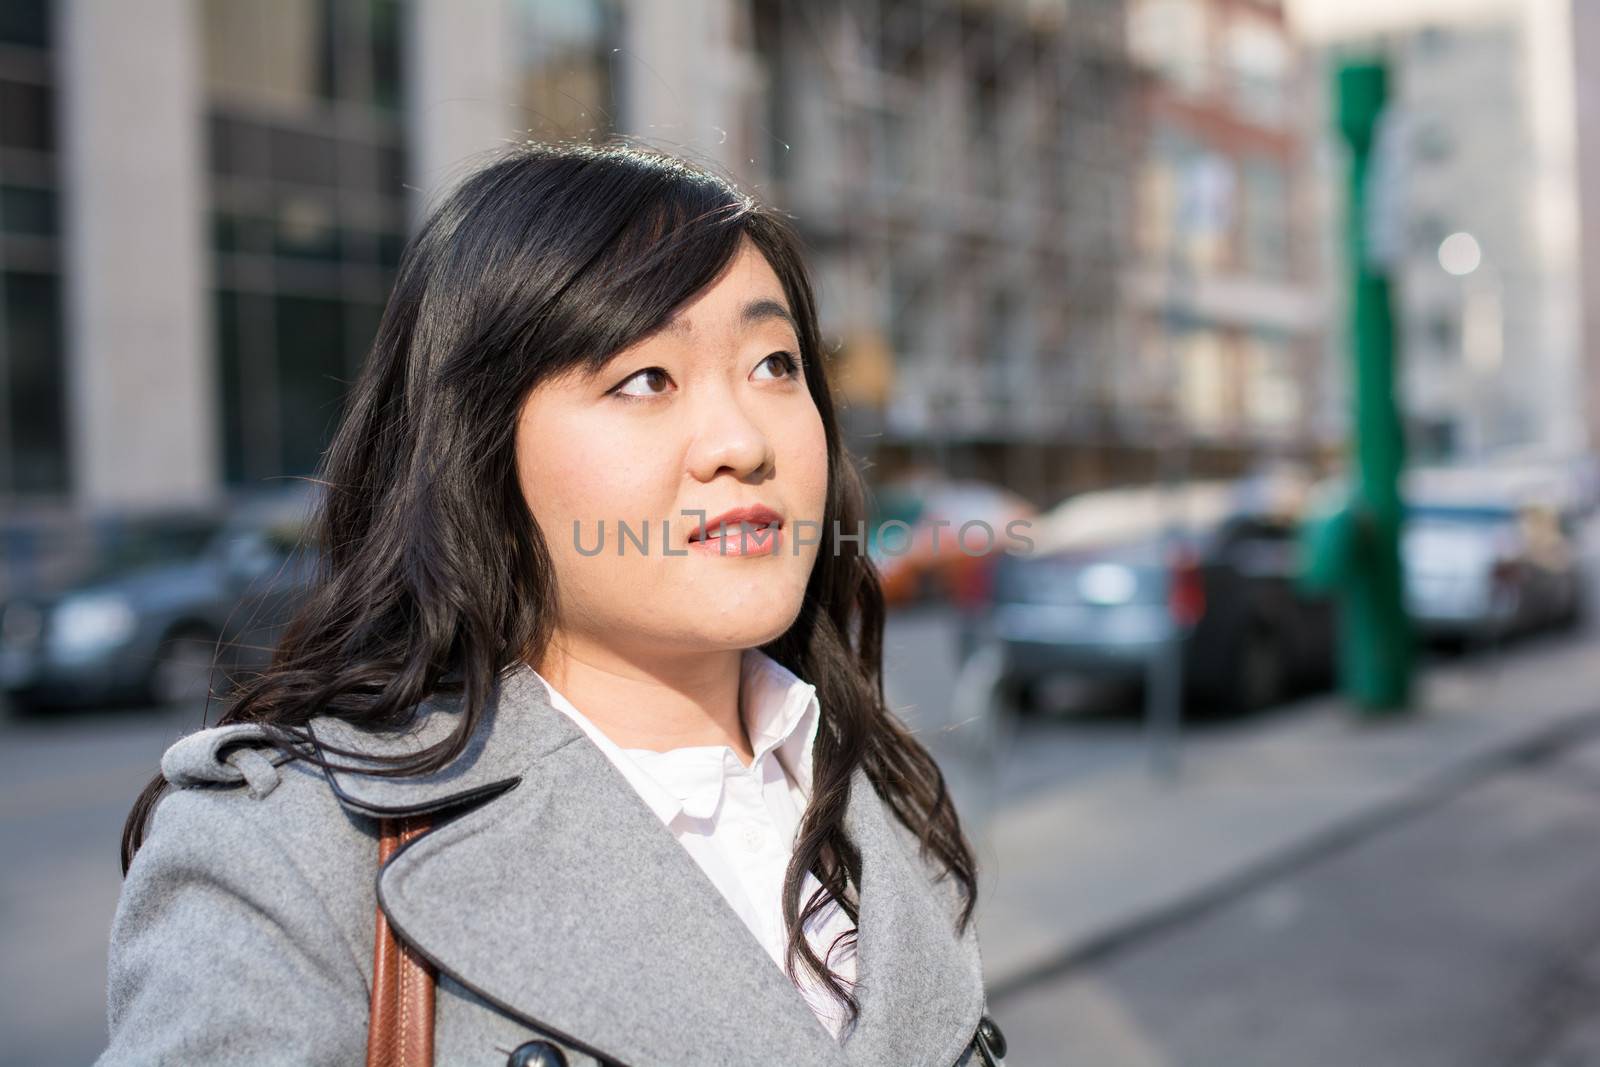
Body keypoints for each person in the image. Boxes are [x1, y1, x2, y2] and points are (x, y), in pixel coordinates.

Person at [97, 142, 1007, 1067]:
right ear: (478, 453)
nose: (742, 439)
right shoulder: (288, 856)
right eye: (645, 378)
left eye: (775, 364)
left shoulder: (871, 785)